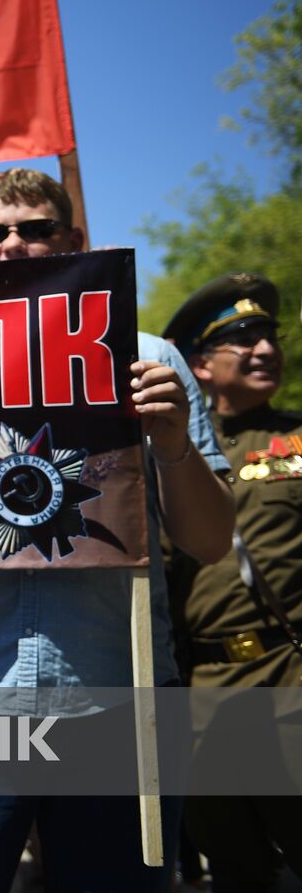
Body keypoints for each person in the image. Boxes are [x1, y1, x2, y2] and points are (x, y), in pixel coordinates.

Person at [0, 169, 236, 893]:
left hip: (120, 702)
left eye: (34, 229)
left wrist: (172, 446)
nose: (14, 246)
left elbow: (211, 542)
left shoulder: (149, 361)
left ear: (74, 240)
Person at [162, 273, 302, 891]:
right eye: (242, 339)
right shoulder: (165, 452)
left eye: (268, 336)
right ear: (200, 363)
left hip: (290, 681)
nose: (264, 350)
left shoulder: (297, 436)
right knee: (237, 872)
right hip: (200, 697)